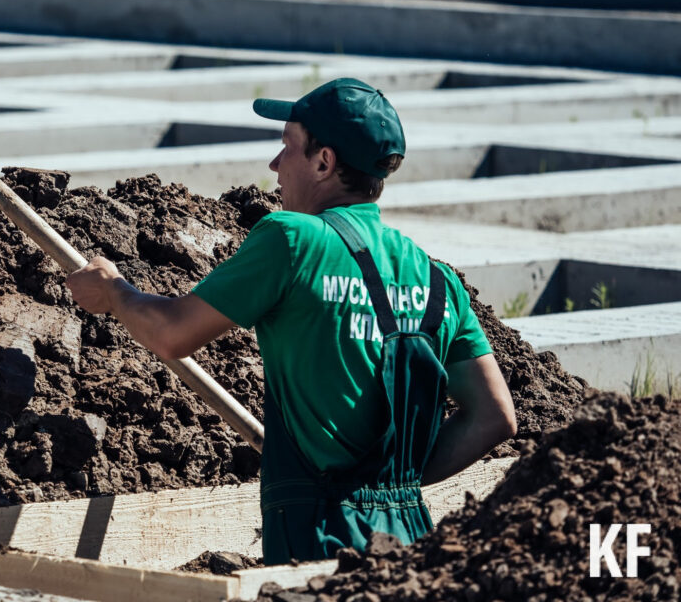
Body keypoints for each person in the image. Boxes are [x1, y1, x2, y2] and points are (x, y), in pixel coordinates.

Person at [65, 78, 517, 564]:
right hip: (408, 539)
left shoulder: (294, 241)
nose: (275, 166)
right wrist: (391, 484)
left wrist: (113, 290)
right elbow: (495, 416)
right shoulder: (436, 279)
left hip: (318, 538)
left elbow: (173, 333)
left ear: (324, 162)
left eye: (287, 147)